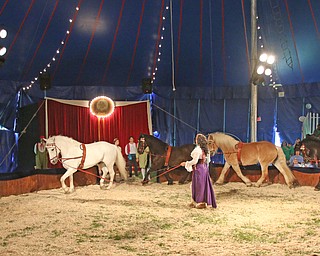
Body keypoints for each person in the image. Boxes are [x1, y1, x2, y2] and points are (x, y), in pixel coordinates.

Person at [180, 133, 217, 209]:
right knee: (201, 185)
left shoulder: (197, 150)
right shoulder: (206, 150)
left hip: (199, 169)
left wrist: (186, 163)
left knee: (199, 185)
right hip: (204, 168)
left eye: (196, 139)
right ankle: (195, 201)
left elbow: (194, 161)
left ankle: (201, 202)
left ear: (198, 141)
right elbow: (208, 160)